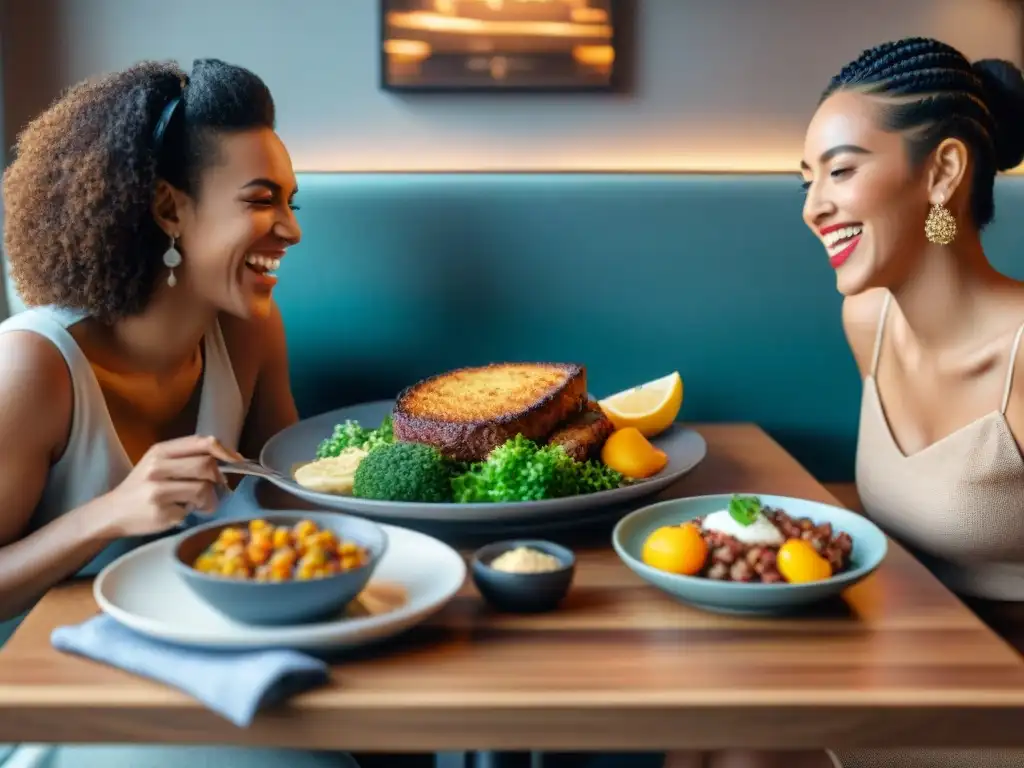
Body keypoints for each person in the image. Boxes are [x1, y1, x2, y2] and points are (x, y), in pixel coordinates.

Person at [665, 35, 1024, 768]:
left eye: (841, 171)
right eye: (806, 183)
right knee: (698, 712)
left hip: (995, 707)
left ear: (944, 171)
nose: (813, 208)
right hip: (898, 665)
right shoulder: (870, 321)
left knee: (739, 749)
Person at [0, 58, 360, 767]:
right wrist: (110, 512)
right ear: (170, 209)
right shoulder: (32, 368)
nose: (289, 230)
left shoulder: (250, 330)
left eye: (292, 202)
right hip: (54, 699)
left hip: (208, 665)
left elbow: (286, 504)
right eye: (261, 201)